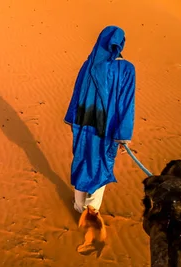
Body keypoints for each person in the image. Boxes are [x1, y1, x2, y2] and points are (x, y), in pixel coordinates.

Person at [64, 25, 136, 214]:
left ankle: (79, 207)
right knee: (101, 163)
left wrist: (72, 120)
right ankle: (92, 210)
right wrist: (123, 136)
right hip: (108, 129)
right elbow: (126, 104)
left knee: (82, 160)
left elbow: (77, 93)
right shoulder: (127, 69)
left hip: (84, 125)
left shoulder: (88, 64)